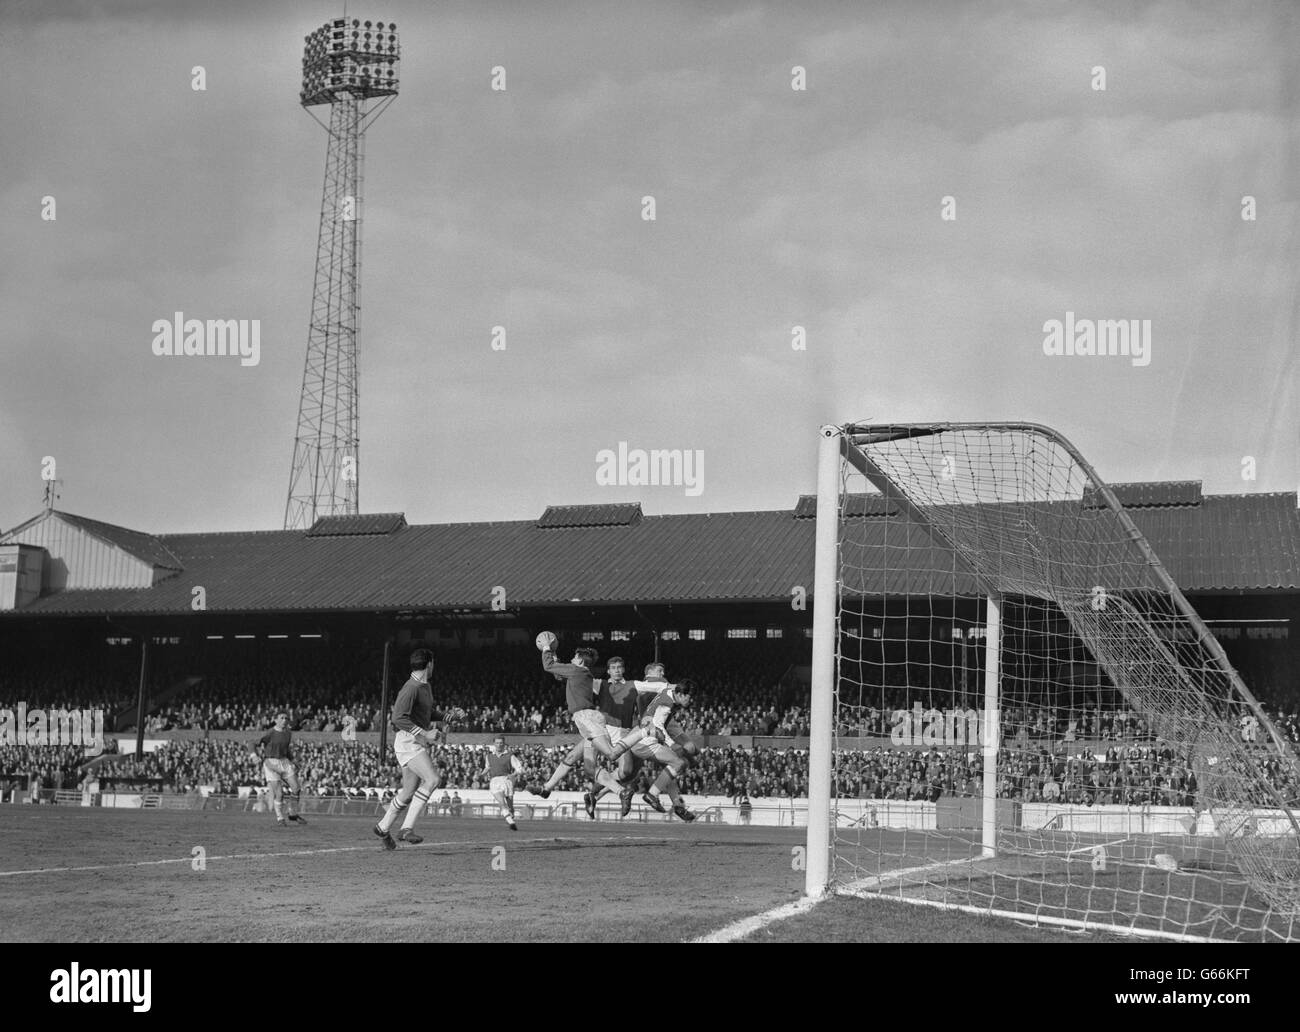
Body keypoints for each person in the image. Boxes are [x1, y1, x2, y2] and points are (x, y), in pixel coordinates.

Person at [372, 648, 446, 849]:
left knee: (408, 791)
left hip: (411, 741)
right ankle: (406, 828)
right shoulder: (411, 687)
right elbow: (398, 718)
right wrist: (424, 733)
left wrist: (448, 717)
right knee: (433, 779)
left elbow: (427, 712)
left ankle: (383, 827)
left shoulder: (424, 686)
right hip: (408, 742)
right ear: (429, 663)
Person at [253, 712, 305, 827]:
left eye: (286, 718)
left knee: (296, 788)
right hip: (271, 762)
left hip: (284, 761)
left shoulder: (288, 733)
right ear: (276, 720)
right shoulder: (270, 733)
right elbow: (252, 743)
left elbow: (285, 749)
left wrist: (293, 760)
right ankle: (280, 818)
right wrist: (254, 756)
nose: (284, 720)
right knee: (279, 794)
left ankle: (292, 813)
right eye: (281, 718)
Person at [483, 735, 524, 830]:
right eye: (497, 743)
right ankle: (511, 822)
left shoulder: (510, 756)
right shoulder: (489, 756)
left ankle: (511, 814)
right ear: (494, 744)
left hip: (506, 781)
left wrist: (513, 775)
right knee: (501, 802)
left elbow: (519, 769)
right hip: (494, 781)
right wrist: (481, 774)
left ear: (504, 744)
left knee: (510, 806)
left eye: (501, 743)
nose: (499, 745)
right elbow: (487, 767)